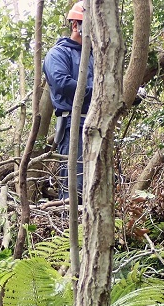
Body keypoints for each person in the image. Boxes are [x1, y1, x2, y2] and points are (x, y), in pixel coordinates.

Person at [43, 0, 93, 203]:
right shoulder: (58, 54)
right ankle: (69, 233)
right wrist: (102, 93)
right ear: (76, 25)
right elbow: (63, 84)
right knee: (76, 187)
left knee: (99, 186)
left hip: (98, 125)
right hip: (74, 125)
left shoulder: (95, 56)